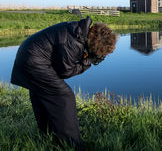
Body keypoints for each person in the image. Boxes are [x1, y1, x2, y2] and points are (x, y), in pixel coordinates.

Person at [10, 16, 117, 149]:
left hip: (29, 54)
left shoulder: (78, 31)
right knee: (64, 96)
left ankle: (48, 133)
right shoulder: (74, 43)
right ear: (97, 43)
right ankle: (73, 144)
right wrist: (87, 61)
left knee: (42, 93)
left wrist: (86, 56)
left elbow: (61, 61)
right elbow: (65, 72)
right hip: (34, 60)